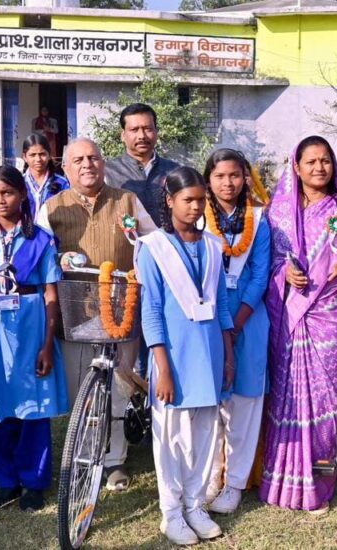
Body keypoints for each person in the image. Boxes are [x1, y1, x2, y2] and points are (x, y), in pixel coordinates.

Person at [36, 137, 157, 491]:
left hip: (121, 308)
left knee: (119, 384)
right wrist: (57, 259)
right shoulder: (52, 207)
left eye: (93, 158)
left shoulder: (127, 200)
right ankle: (87, 455)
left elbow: (153, 242)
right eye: (78, 160)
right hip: (75, 310)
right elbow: (38, 254)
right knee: (82, 389)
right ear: (65, 168)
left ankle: (115, 460)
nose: (87, 165)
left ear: (103, 163)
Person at [261, 135, 337, 513]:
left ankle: (319, 481)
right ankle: (283, 478)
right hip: (289, 312)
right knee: (287, 392)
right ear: (296, 166)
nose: (319, 167)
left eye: (325, 160)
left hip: (331, 312)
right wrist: (284, 272)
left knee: (326, 395)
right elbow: (269, 260)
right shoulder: (278, 211)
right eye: (311, 161)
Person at [136, 167, 234, 545]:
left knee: (206, 436)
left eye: (200, 200)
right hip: (174, 358)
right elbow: (151, 311)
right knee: (171, 440)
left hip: (209, 354)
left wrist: (228, 356)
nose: (195, 207)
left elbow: (222, 305)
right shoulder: (153, 247)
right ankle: (172, 513)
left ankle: (195, 506)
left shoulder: (212, 245)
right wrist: (162, 367)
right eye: (187, 200)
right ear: (170, 200)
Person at [0, 166, 67, 511]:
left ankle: (34, 482)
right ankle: (6, 481)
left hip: (30, 322)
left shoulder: (40, 239)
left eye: (7, 192)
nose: (0, 200)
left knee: (32, 406)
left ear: (22, 194)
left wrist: (47, 344)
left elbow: (51, 293)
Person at [199, 149, 272, 514]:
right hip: (208, 316)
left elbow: (260, 274)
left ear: (245, 178)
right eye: (219, 176)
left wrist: (237, 323)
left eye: (234, 175)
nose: (228, 183)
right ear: (208, 180)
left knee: (245, 400)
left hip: (249, 316)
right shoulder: (198, 216)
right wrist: (221, 325)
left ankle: (236, 483)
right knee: (210, 401)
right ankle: (211, 477)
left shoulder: (259, 219)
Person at [106, 103, 180, 227]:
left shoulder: (175, 171)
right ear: (123, 135)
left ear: (156, 132)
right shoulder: (107, 172)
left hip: (167, 238)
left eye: (148, 129)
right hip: (124, 239)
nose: (142, 136)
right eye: (134, 130)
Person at [21, 133, 69, 218]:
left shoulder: (62, 183)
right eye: (32, 155)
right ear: (24, 157)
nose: (38, 159)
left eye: (42, 154)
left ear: (49, 155)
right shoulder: (19, 183)